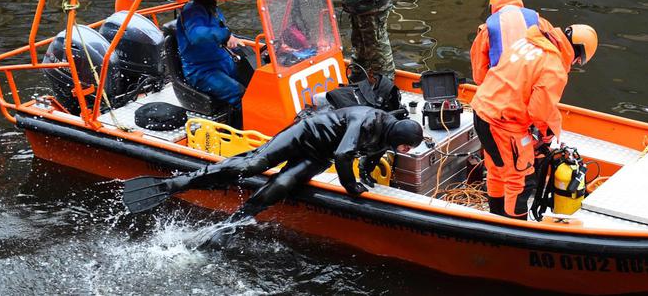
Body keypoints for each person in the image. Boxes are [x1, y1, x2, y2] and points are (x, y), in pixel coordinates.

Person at [122, 106, 424, 247]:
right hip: (304, 135)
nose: (405, 149)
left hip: (318, 156)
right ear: (399, 134)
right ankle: (179, 183)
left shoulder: (386, 137)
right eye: (406, 145)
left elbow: (369, 154)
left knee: (280, 186)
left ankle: (233, 223)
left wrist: (368, 175)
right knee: (251, 166)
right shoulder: (367, 120)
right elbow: (346, 155)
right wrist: (351, 186)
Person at [470, 6, 598, 219]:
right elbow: (541, 111)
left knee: (496, 171)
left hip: (482, 111)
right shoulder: (554, 67)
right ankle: (513, 230)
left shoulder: (527, 43)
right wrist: (548, 136)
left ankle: (495, 219)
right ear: (578, 55)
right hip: (503, 123)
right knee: (521, 179)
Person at [176, 0, 247, 125]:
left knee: (256, 83)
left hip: (222, 62)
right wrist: (224, 35)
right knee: (239, 94)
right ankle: (246, 132)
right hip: (202, 71)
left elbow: (219, 32)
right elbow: (197, 35)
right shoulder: (191, 11)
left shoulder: (210, 9)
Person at [470, 0, 565, 85]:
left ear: (492, 7)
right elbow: (558, 46)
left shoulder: (488, 28)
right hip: (534, 81)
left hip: (502, 85)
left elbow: (479, 71)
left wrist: (487, 88)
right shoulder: (538, 20)